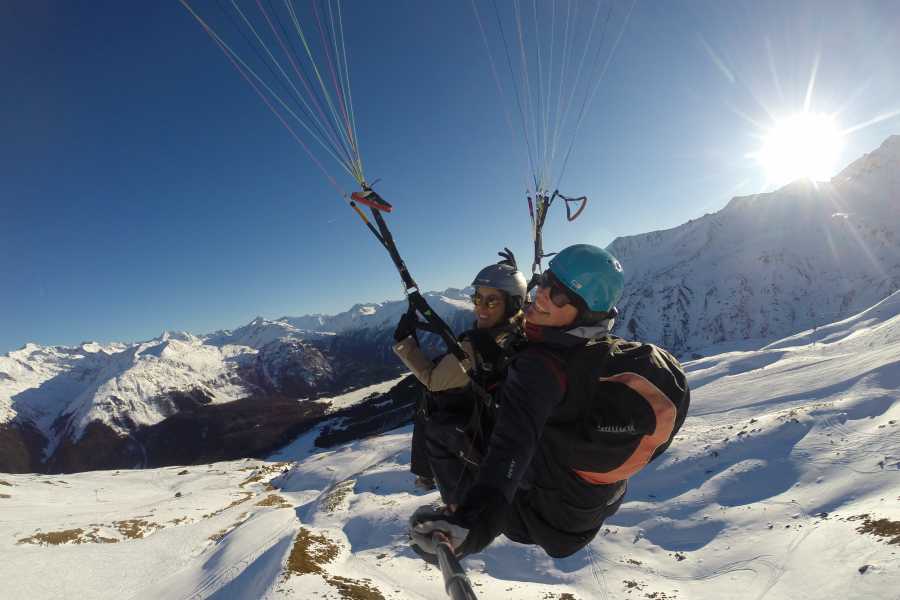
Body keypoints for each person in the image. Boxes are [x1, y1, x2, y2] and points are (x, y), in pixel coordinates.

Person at [409, 244, 690, 559]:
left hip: (532, 519)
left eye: (557, 294)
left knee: (441, 422)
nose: (541, 294)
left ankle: (452, 500)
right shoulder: (596, 351)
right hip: (587, 508)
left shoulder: (540, 367)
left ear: (582, 311)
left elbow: (511, 447)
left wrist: (473, 523)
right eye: (544, 280)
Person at [393, 251, 528, 494]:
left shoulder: (474, 348)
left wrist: (404, 343)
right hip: (503, 432)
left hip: (475, 437)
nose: (481, 308)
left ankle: (426, 474)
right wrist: (513, 279)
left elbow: (433, 380)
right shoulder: (523, 327)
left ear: (512, 304)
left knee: (428, 398)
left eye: (492, 301)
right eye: (478, 298)